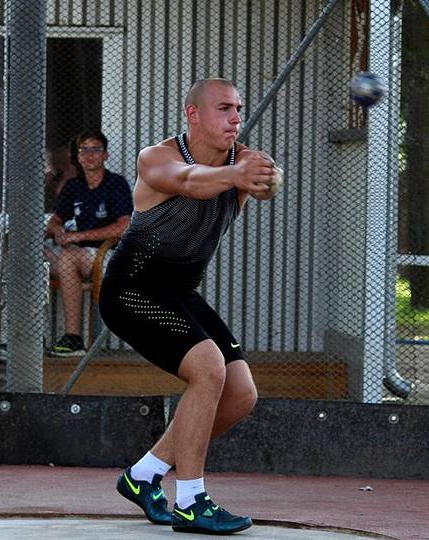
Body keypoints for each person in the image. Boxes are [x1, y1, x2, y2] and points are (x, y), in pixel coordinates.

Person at [99, 78, 279, 535]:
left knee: (240, 395)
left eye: (238, 108)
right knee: (208, 369)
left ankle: (143, 476)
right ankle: (191, 500)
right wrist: (237, 176)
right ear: (193, 114)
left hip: (179, 292)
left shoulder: (242, 162)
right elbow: (189, 182)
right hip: (131, 291)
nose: (235, 118)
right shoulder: (156, 158)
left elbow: (262, 185)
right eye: (224, 108)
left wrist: (263, 179)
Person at [45, 130, 132, 356]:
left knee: (68, 258)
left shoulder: (115, 184)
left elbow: (124, 227)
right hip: (76, 255)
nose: (90, 155)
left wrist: (78, 236)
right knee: (29, 254)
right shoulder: (74, 186)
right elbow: (55, 221)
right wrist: (57, 231)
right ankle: (24, 338)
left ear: (105, 155)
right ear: (78, 156)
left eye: (96, 149)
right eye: (84, 150)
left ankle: (73, 339)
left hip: (107, 256)